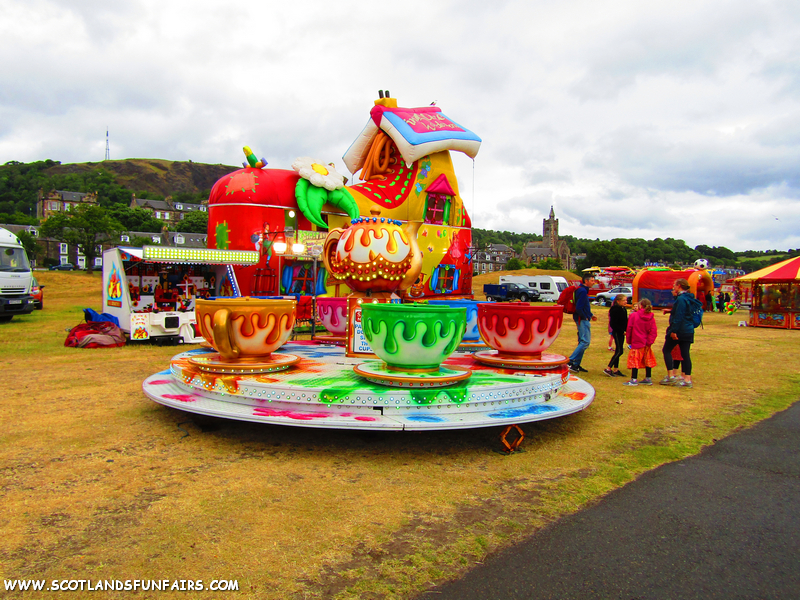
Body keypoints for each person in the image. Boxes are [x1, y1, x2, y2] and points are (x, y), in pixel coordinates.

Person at [660, 278, 697, 388]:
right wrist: (671, 311)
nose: (673, 287)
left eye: (674, 285)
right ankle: (687, 379)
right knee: (685, 354)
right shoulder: (689, 297)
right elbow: (685, 311)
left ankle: (671, 375)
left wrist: (674, 330)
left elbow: (679, 315)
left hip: (680, 329)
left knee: (666, 350)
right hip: (689, 329)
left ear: (679, 286)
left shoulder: (681, 299)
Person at [623, 298, 657, 386]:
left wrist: (629, 340)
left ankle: (634, 379)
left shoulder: (634, 315)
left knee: (635, 360)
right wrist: (650, 341)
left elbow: (629, 328)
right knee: (647, 359)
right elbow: (653, 330)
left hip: (636, 341)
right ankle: (648, 377)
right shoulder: (651, 317)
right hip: (646, 342)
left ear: (640, 306)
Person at [568, 274, 597, 373]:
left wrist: (590, 315)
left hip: (582, 318)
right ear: (586, 281)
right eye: (592, 281)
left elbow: (584, 306)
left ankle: (576, 364)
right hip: (582, 319)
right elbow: (579, 307)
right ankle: (570, 360)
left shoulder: (582, 290)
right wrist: (585, 316)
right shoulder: (583, 291)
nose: (593, 282)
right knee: (585, 342)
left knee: (582, 341)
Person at [604, 294, 628, 377]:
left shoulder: (623, 309)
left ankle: (616, 369)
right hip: (617, 332)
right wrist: (621, 331)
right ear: (618, 301)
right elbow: (613, 323)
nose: (625, 302)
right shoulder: (615, 310)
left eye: (626, 300)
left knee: (618, 349)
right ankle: (608, 368)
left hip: (622, 332)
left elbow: (625, 321)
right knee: (620, 351)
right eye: (624, 300)